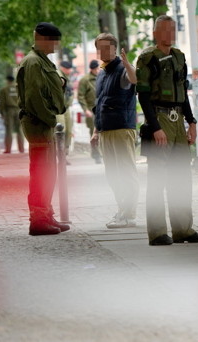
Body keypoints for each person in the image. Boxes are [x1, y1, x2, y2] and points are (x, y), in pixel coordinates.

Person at [136, 15, 198, 246]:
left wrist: (192, 121)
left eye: (173, 29)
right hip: (159, 117)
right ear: (156, 33)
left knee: (181, 177)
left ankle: (183, 229)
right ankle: (157, 232)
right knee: (158, 178)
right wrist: (155, 127)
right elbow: (143, 95)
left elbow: (182, 91)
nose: (169, 34)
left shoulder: (178, 56)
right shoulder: (147, 58)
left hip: (178, 120)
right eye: (164, 30)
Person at [16, 22, 71, 235]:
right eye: (54, 42)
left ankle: (46, 215)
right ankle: (38, 220)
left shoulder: (41, 61)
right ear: (42, 39)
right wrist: (50, 119)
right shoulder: (33, 63)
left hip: (43, 123)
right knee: (41, 172)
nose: (56, 46)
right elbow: (34, 98)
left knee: (47, 172)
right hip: (39, 124)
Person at [90, 33, 140, 229]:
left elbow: (134, 79)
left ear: (114, 48)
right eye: (99, 48)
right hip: (105, 129)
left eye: (106, 47)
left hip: (121, 128)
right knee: (112, 174)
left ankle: (130, 214)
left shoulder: (121, 69)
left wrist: (128, 63)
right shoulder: (102, 73)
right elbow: (99, 103)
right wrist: (96, 130)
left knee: (126, 172)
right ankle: (122, 211)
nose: (103, 51)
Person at [77, 59, 102, 163]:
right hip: (91, 110)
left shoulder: (102, 77)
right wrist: (85, 109)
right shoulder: (85, 80)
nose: (97, 70)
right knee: (94, 133)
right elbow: (80, 96)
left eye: (98, 68)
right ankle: (97, 155)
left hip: (102, 109)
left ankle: (100, 153)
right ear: (92, 69)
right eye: (96, 69)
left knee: (103, 132)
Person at [0, 75, 25, 153]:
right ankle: (21, 149)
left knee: (8, 130)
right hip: (19, 110)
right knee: (19, 130)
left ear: (7, 80)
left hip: (9, 111)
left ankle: (8, 149)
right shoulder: (19, 89)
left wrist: (2, 113)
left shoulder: (4, 90)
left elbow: (2, 103)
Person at [58, 60, 74, 159]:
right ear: (63, 68)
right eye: (68, 69)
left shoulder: (67, 77)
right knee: (61, 130)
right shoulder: (58, 75)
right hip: (59, 108)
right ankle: (60, 155)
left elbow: (70, 91)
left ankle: (65, 153)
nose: (70, 71)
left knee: (68, 131)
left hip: (66, 108)